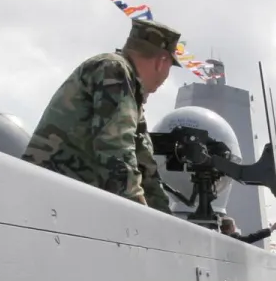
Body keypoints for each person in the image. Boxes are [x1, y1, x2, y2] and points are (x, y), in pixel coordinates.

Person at [24, 17, 183, 211]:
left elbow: (144, 167)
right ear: (161, 62)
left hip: (63, 200)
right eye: (170, 66)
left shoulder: (130, 90)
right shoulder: (113, 70)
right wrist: (140, 213)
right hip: (47, 197)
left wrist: (163, 219)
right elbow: (116, 149)